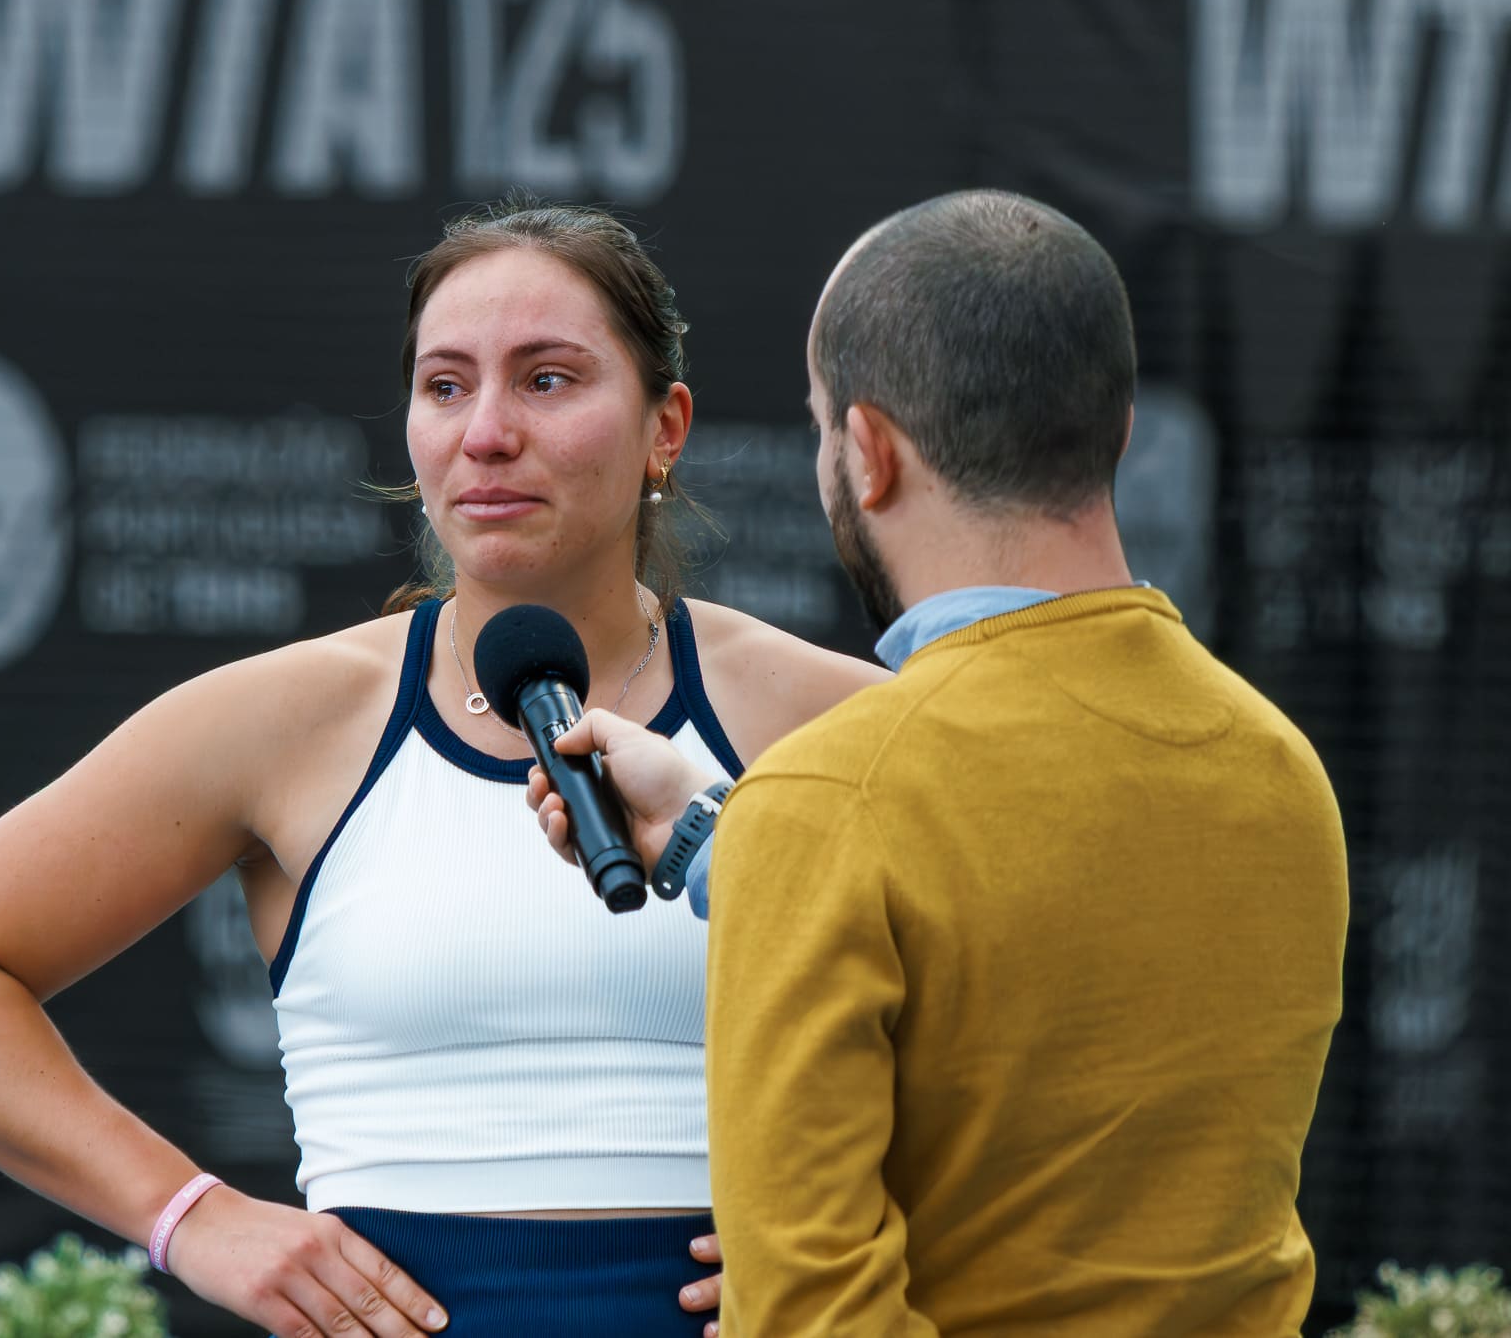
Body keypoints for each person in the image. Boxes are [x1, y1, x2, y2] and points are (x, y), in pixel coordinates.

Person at [0, 199, 884, 1338]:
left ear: (663, 428)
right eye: (444, 386)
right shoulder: (288, 718)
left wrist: (876, 1227)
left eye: (546, 380)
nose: (484, 432)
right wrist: (191, 1217)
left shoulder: (829, 716)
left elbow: (1040, 1029)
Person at [528, 189, 1349, 1336]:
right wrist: (728, 839)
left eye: (821, 422)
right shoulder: (1277, 770)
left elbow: (811, 1315)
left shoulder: (830, 800)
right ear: (1114, 430)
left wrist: (770, 835)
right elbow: (1024, 983)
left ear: (865, 453)